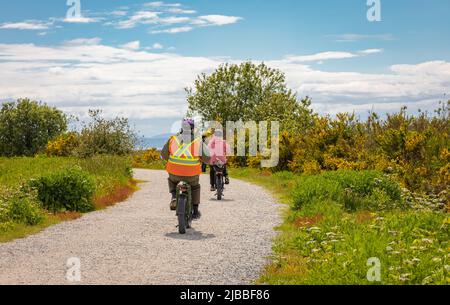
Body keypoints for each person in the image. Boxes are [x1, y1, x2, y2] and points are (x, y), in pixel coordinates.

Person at [161, 119, 210, 219]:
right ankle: (196, 211)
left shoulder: (173, 139)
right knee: (195, 187)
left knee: (171, 181)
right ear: (192, 129)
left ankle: (174, 196)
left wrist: (171, 160)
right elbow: (207, 158)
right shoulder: (198, 141)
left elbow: (164, 154)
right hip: (191, 175)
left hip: (174, 174)